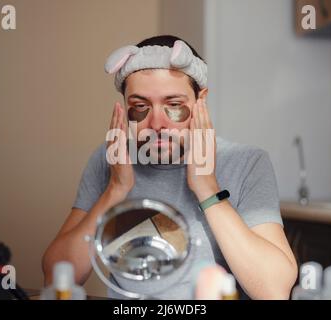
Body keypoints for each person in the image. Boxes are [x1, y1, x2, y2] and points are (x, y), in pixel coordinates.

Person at [42, 35, 298, 299]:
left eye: (174, 106)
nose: (156, 124)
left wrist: (207, 188)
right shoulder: (109, 159)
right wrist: (116, 190)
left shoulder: (247, 162)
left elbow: (273, 290)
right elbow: (58, 275)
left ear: (201, 101)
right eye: (140, 107)